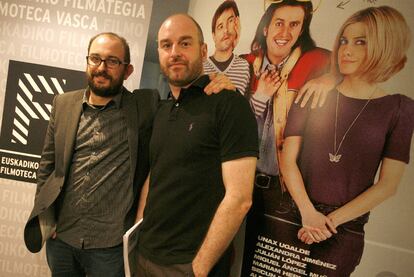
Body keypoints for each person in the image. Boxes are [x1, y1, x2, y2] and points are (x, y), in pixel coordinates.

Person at [23, 32, 233, 277]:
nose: (102, 67)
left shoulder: (146, 105)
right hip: (62, 240)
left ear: (128, 70)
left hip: (110, 249)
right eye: (95, 59)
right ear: (87, 62)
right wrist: (48, 216)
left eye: (112, 61)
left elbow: (184, 104)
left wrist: (218, 83)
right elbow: (47, 167)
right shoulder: (63, 104)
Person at [281, 6, 413, 276]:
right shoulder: (312, 93)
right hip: (292, 213)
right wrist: (308, 213)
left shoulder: (400, 108)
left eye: (360, 42)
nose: (346, 50)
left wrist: (328, 223)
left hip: (344, 229)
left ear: (384, 46)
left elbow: (388, 185)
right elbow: (287, 158)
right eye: (344, 40)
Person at [136, 14, 258, 277]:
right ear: (159, 52)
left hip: (189, 266)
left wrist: (198, 269)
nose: (175, 52)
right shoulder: (162, 110)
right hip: (145, 256)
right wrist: (137, 232)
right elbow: (155, 175)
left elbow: (240, 199)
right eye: (166, 45)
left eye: (185, 43)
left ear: (203, 50)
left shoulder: (228, 104)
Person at [241, 1, 331, 274]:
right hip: (239, 184)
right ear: (266, 28)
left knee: (280, 268)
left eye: (295, 25)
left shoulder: (316, 61)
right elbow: (229, 126)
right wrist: (260, 97)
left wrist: (330, 79)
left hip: (281, 192)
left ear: (302, 30)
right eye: (279, 23)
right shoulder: (244, 64)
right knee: (233, 262)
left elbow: (355, 64)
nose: (285, 31)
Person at [203, 0, 250, 95]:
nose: (226, 30)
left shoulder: (244, 66)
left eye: (230, 21)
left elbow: (246, 107)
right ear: (213, 36)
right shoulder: (201, 67)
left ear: (237, 25)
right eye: (220, 26)